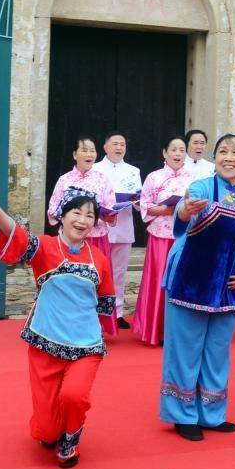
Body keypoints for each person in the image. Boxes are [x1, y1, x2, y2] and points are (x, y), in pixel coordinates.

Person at [0, 174, 114, 467]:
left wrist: (102, 333)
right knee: (47, 428)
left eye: (90, 215)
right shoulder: (44, 248)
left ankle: (72, 439)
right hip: (46, 341)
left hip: (86, 343)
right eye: (76, 212)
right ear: (61, 217)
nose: (82, 220)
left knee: (75, 396)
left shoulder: (100, 259)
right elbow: (16, 235)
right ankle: (53, 431)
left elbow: (105, 302)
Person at [160, 133, 235, 441]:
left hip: (228, 287)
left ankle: (212, 413)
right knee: (186, 349)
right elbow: (183, 210)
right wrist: (185, 210)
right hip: (191, 280)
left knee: (218, 351)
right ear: (215, 157)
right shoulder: (202, 187)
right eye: (223, 151)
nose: (228, 157)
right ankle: (182, 414)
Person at [134, 135, 192, 346]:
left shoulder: (193, 179)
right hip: (160, 235)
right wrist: (167, 209)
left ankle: (180, 332)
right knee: (158, 280)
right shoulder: (154, 177)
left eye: (181, 149)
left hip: (184, 237)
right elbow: (145, 205)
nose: (178, 153)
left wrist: (184, 208)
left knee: (182, 281)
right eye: (174, 149)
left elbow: (199, 205)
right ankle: (154, 330)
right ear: (164, 153)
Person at [93, 131, 142, 330]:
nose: (119, 147)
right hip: (99, 227)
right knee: (97, 272)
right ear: (105, 147)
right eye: (115, 143)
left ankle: (118, 312)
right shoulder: (95, 169)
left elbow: (140, 202)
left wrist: (135, 199)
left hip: (123, 226)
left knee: (119, 273)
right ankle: (95, 312)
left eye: (122, 144)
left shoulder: (133, 170)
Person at [48, 135, 117, 265]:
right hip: (69, 237)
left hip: (97, 237)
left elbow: (111, 207)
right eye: (84, 150)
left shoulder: (103, 179)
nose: (89, 154)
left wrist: (109, 216)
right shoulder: (64, 180)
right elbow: (52, 209)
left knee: (97, 275)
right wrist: (68, 213)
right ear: (75, 155)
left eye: (92, 150)